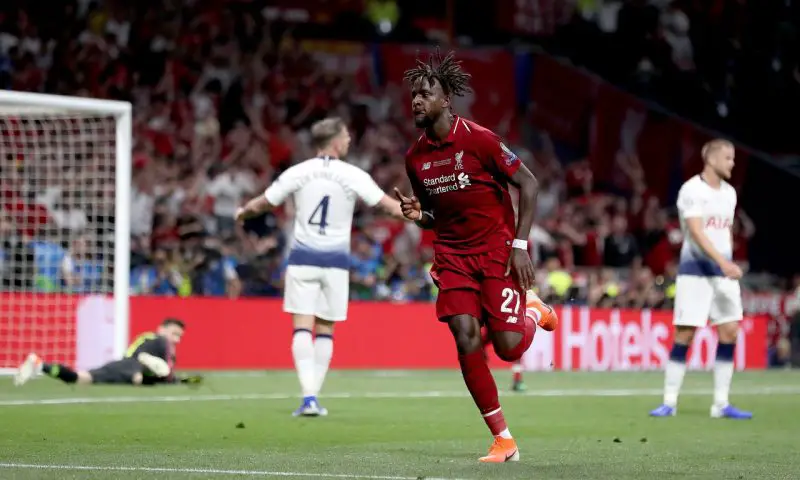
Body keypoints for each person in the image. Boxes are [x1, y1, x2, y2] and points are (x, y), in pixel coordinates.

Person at [394, 50, 540, 462]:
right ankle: (503, 439)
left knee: (509, 348)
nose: (416, 101)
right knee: (465, 338)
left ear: (446, 100)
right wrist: (419, 216)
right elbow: (433, 216)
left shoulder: (480, 139)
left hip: (496, 251)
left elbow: (529, 184)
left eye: (425, 94)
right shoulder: (415, 158)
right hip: (453, 257)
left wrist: (520, 246)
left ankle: (532, 312)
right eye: (413, 95)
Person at [235, 117, 407, 417]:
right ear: (336, 141)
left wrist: (242, 212)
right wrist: (421, 215)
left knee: (302, 326)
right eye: (346, 136)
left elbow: (264, 202)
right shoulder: (353, 174)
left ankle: (308, 397)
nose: (349, 140)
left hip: (303, 259)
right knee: (326, 328)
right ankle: (313, 398)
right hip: (336, 263)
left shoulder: (299, 172)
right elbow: (388, 206)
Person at [649, 139, 752, 419]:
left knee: (729, 331)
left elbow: (723, 233)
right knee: (685, 334)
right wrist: (723, 262)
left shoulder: (729, 193)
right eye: (728, 158)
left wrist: (726, 262)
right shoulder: (691, 190)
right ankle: (669, 402)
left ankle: (721, 404)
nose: (732, 163)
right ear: (712, 159)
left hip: (724, 275)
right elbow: (695, 231)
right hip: (695, 273)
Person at [14, 318, 200, 386]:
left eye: (179, 336)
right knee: (142, 379)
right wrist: (175, 379)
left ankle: (40, 365)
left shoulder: (148, 337)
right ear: (161, 329)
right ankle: (39, 365)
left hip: (120, 365)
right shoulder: (162, 341)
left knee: (81, 378)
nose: (176, 339)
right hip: (133, 367)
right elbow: (165, 372)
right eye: (174, 333)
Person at [482, 289, 559, 392]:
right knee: (514, 347)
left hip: (503, 316)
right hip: (503, 317)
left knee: (512, 349)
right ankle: (485, 376)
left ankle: (516, 380)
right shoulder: (519, 288)